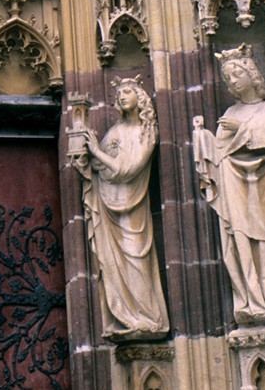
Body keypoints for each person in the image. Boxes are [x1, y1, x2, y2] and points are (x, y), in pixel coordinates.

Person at [193, 46, 265, 324]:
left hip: (264, 190)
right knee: (239, 241)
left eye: (236, 74)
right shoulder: (229, 112)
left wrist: (239, 130)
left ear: (252, 74)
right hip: (234, 187)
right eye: (227, 78)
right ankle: (250, 300)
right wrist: (202, 139)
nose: (232, 82)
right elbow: (219, 153)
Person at [73, 79, 169, 340]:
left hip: (130, 208)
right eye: (118, 93)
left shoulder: (147, 132)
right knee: (113, 263)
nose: (121, 96)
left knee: (135, 259)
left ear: (140, 96)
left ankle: (147, 318)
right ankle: (126, 317)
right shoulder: (114, 131)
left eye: (127, 91)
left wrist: (96, 153)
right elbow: (99, 166)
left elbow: (127, 169)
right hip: (108, 204)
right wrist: (84, 157)